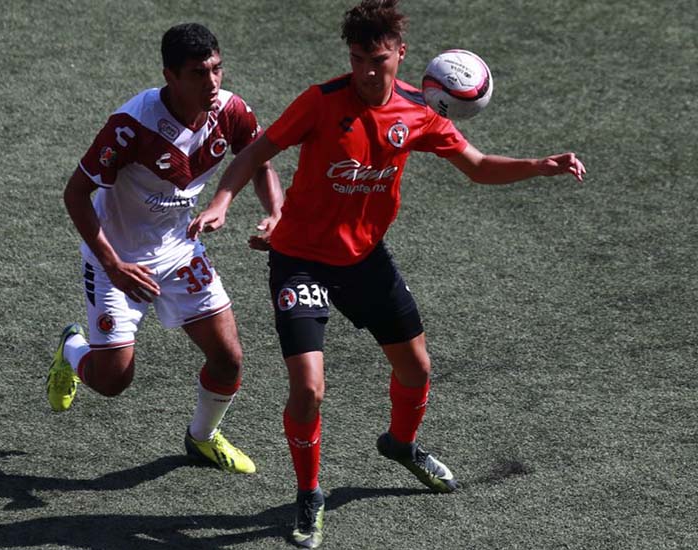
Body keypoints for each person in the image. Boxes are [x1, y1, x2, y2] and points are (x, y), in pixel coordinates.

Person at [187, 1, 586, 547]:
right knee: (309, 389)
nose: (366, 72)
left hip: (366, 259)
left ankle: (400, 444)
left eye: (377, 60)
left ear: (401, 54)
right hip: (300, 258)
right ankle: (310, 494)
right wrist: (223, 201)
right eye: (357, 59)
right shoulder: (322, 101)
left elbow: (477, 167)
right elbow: (257, 150)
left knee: (417, 370)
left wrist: (539, 166)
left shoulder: (421, 111)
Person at [47, 23, 284, 475]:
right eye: (199, 73)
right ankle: (73, 349)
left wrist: (275, 212)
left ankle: (202, 438)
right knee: (113, 380)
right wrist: (113, 264)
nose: (212, 82)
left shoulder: (230, 110)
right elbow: (75, 194)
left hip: (180, 249)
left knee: (228, 357)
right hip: (118, 256)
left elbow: (259, 162)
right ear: (170, 76)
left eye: (216, 69)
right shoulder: (132, 126)